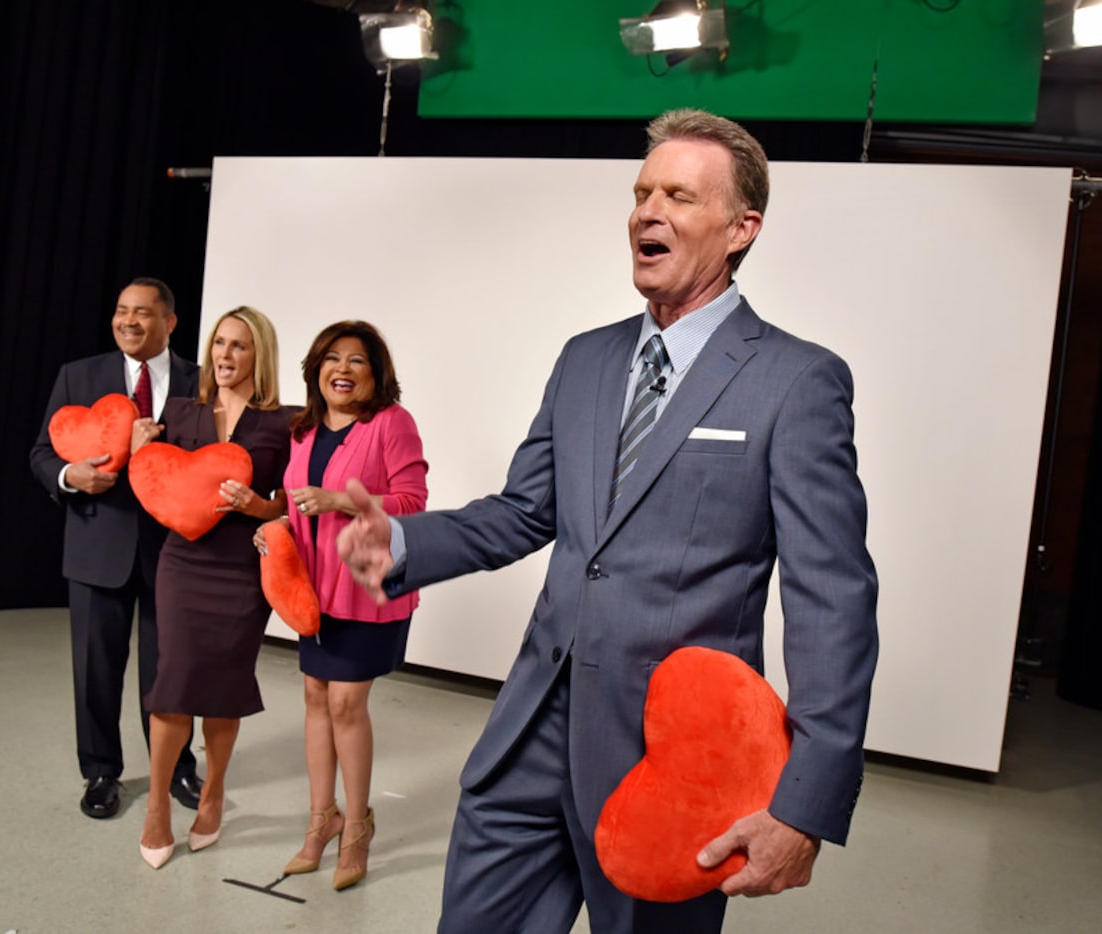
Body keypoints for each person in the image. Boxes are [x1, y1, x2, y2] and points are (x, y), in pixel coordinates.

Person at [337, 109, 881, 932]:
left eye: (678, 196)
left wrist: (803, 805)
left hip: (672, 768)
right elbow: (526, 511)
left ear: (742, 228)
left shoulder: (796, 382)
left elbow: (832, 601)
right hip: (528, 739)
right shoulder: (584, 358)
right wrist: (404, 540)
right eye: (640, 193)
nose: (647, 212)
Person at [252, 320, 428, 891]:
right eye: (332, 359)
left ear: (376, 374)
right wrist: (277, 525)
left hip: (367, 588)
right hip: (315, 591)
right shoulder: (303, 430)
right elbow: (299, 504)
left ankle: (357, 826)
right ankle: (319, 819)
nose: (343, 370)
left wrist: (340, 501)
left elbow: (411, 502)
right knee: (313, 697)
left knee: (347, 705)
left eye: (357, 361)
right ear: (316, 370)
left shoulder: (392, 425)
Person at [29, 277, 205, 820]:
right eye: (121, 311)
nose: (128, 321)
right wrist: (68, 475)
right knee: (95, 669)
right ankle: (101, 772)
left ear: (169, 322)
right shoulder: (77, 376)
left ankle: (174, 766)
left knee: (170, 669)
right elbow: (40, 454)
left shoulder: (199, 382)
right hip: (95, 548)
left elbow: (208, 456)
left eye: (142, 313)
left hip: (173, 551)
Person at [135, 305, 294, 869]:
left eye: (239, 347)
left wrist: (261, 507)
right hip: (183, 563)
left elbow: (289, 501)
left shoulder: (284, 422)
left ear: (260, 357)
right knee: (173, 680)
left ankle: (214, 791)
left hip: (243, 568)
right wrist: (138, 451)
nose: (225, 356)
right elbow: (157, 484)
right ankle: (157, 806)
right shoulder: (179, 412)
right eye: (220, 344)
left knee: (225, 684)